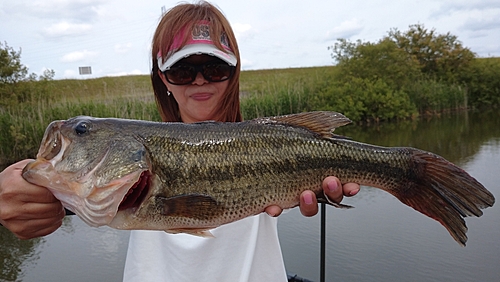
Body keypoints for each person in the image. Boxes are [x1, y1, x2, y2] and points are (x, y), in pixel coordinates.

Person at [0, 1, 359, 281]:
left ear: (234, 72)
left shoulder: (263, 140)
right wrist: (26, 196)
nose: (200, 81)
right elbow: (51, 193)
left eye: (214, 68)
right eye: (183, 70)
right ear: (163, 79)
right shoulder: (127, 168)